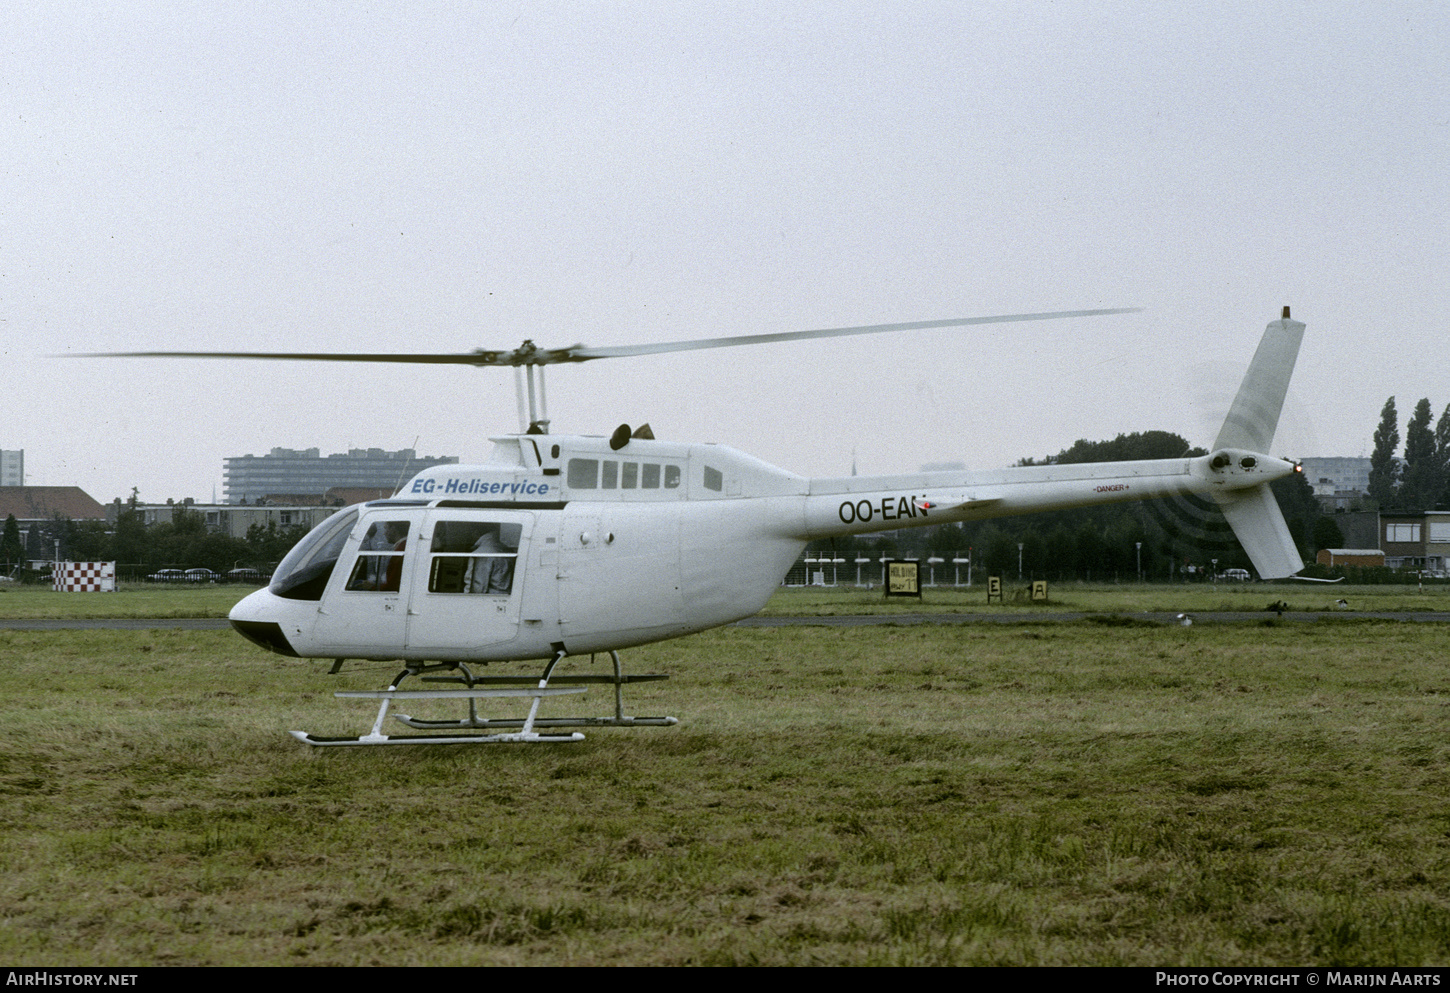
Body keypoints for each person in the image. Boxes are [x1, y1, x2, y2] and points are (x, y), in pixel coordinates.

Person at [466, 524, 514, 594]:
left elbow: (479, 587)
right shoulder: (505, 548)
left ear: (476, 532)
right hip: (506, 595)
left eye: (470, 533)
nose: (469, 537)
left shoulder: (482, 552)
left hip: (490, 598)